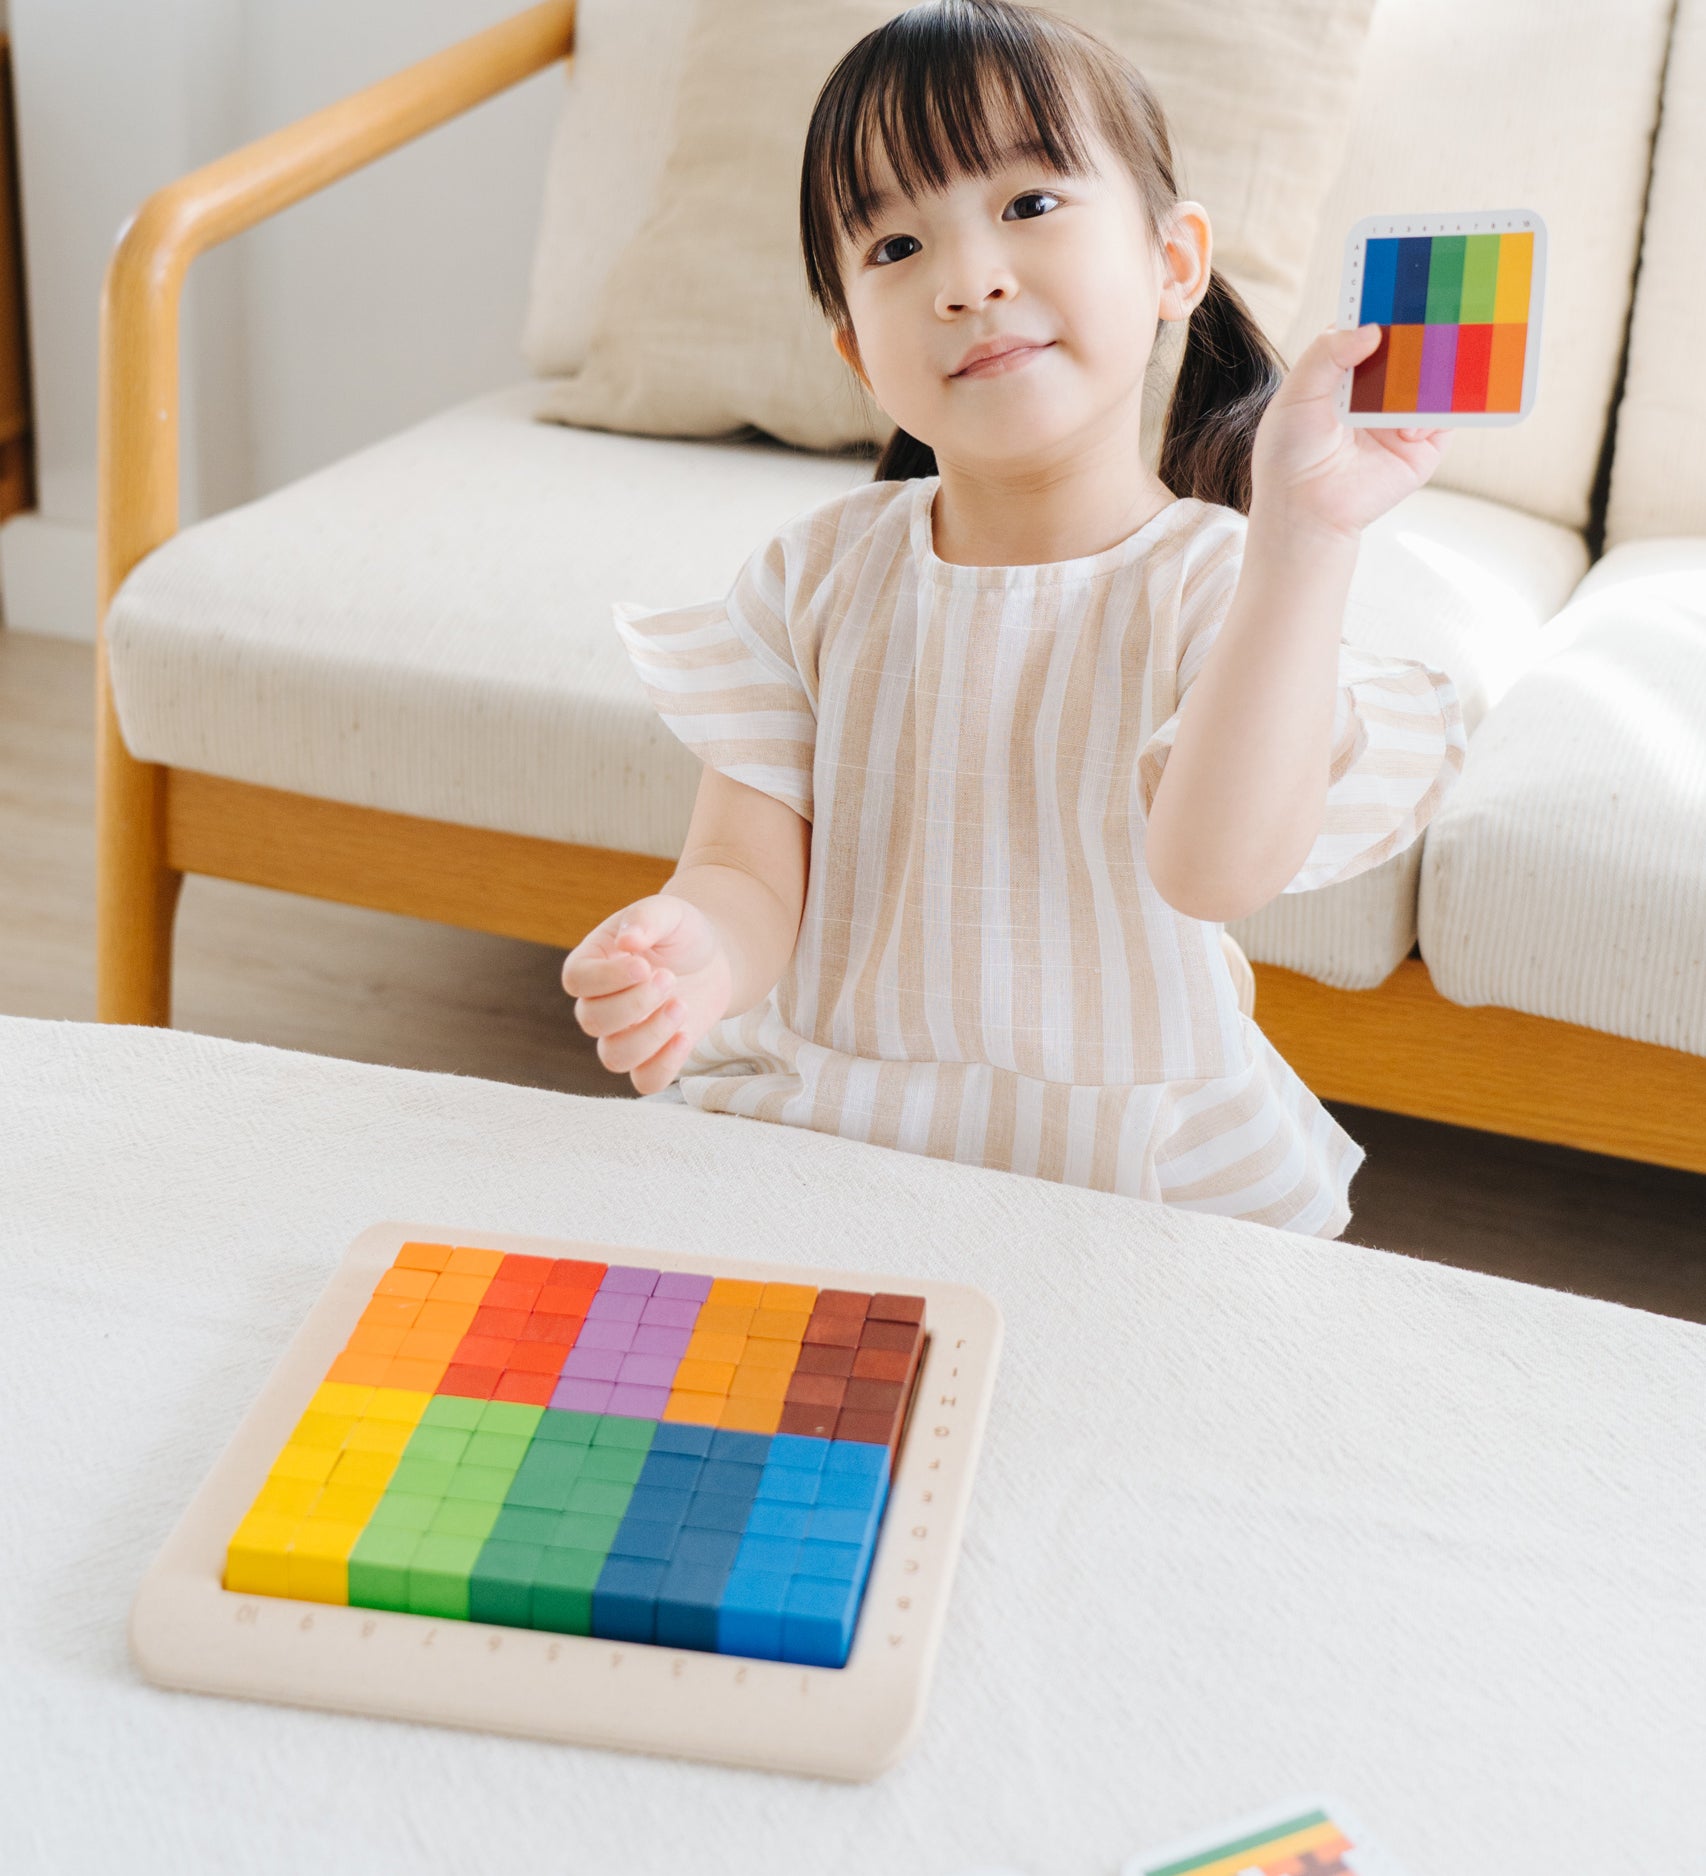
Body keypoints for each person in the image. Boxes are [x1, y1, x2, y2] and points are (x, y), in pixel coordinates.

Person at [560, 0, 1466, 1239]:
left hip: (1121, 1165)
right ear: (851, 351)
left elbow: (1212, 871)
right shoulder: (812, 575)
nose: (967, 279)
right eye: (891, 247)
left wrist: (1303, 539)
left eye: (1028, 205)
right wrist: (694, 951)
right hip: (829, 1121)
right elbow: (741, 876)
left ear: (1172, 262)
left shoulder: (1218, 581)